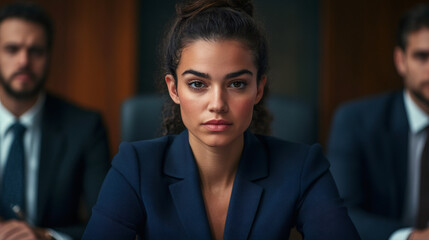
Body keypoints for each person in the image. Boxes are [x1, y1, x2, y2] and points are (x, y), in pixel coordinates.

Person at [83, 0, 360, 239]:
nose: (217, 104)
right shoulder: (135, 167)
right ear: (173, 88)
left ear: (259, 89)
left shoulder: (302, 168)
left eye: (236, 84)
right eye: (197, 84)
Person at [0, 2, 110, 240]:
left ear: (49, 56)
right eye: (12, 49)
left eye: (35, 51)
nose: (23, 61)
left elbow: (107, 224)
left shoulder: (86, 127)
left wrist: (47, 236)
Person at [327, 3, 429, 240]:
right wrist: (412, 238)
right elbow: (340, 213)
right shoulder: (355, 121)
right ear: (400, 60)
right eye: (422, 57)